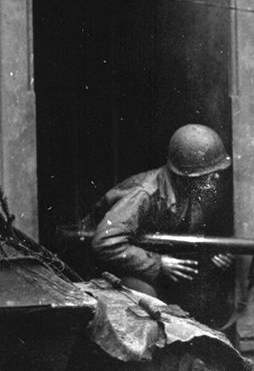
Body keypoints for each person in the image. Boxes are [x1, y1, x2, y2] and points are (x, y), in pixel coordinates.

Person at [87, 123, 234, 310]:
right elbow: (105, 242)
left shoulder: (190, 192)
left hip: (146, 264)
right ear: (187, 176)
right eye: (208, 174)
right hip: (110, 267)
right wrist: (158, 263)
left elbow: (186, 239)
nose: (215, 179)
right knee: (147, 299)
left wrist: (212, 257)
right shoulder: (144, 193)